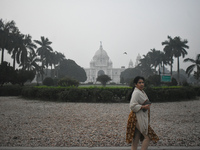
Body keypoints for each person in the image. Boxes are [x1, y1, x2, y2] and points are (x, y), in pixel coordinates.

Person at [126, 76, 159, 150]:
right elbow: (132, 106)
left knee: (136, 137)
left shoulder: (141, 92)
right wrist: (143, 107)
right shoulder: (136, 93)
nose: (141, 84)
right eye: (139, 82)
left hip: (140, 116)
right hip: (137, 117)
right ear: (135, 84)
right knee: (147, 137)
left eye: (142, 82)